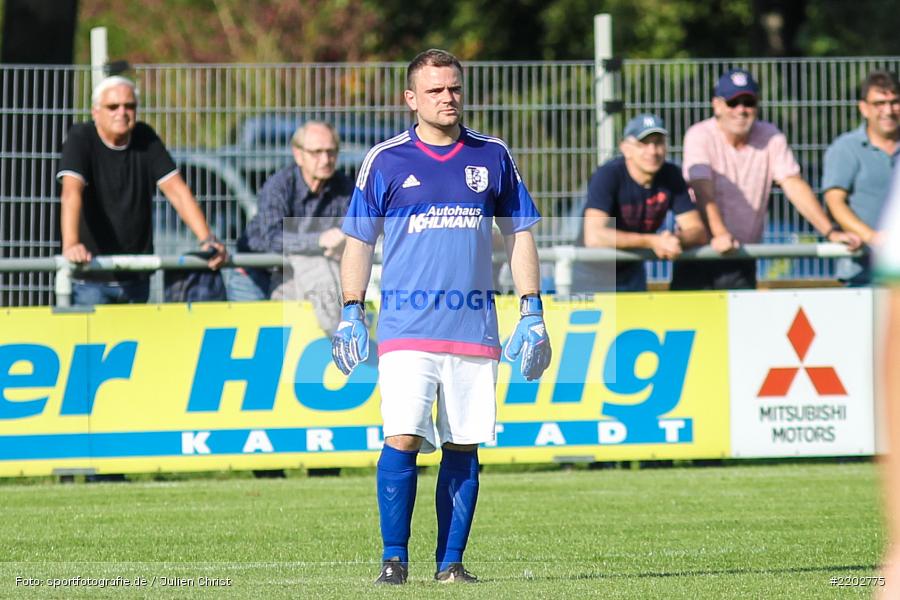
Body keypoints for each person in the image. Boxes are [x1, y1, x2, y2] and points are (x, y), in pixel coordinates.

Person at [331, 49, 551, 585]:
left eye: (453, 88)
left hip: (475, 329)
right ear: (411, 98)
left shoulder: (492, 156)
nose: (447, 98)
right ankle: (393, 558)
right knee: (402, 436)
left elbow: (518, 232)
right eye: (435, 91)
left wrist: (533, 309)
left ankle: (450, 564)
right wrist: (352, 311)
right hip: (407, 329)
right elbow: (358, 241)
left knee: (464, 444)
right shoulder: (385, 160)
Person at [670, 68, 861, 290]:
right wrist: (720, 234)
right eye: (733, 102)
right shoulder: (700, 134)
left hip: (741, 255)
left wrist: (830, 231)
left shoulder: (770, 136)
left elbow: (793, 184)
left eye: (748, 102)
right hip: (698, 254)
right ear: (717, 105)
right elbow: (702, 189)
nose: (741, 110)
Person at [58, 76, 226, 305]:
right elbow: (71, 192)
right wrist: (71, 244)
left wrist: (207, 239)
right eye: (113, 106)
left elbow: (177, 190)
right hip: (91, 277)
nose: (122, 112)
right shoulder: (81, 138)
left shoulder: (145, 137)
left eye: (129, 106)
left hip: (136, 276)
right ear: (95, 112)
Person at [233, 121, 352, 334]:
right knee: (252, 339)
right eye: (317, 152)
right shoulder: (278, 185)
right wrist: (318, 240)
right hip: (256, 272)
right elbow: (272, 238)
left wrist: (342, 242)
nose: (325, 159)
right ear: (298, 154)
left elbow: (352, 230)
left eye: (331, 152)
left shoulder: (345, 187)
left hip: (300, 275)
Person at [572, 113, 707, 293]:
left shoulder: (671, 175)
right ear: (625, 148)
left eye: (658, 142)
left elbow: (698, 231)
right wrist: (653, 241)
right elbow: (595, 236)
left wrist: (675, 240)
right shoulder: (608, 175)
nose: (652, 151)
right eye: (643, 143)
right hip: (591, 272)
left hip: (633, 270)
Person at [822, 70, 900, 286]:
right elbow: (835, 202)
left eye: (895, 102)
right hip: (862, 271)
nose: (888, 111)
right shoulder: (845, 148)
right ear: (864, 108)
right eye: (879, 103)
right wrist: (874, 238)